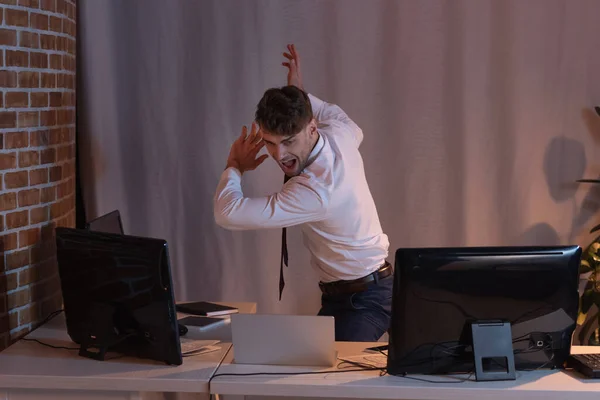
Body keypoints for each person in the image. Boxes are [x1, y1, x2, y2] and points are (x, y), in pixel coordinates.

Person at [213, 44, 392, 342]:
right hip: (356, 292)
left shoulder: (316, 189)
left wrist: (234, 166)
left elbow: (227, 214)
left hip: (363, 302)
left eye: (289, 141)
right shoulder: (340, 133)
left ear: (311, 129)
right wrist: (298, 94)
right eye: (270, 142)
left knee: (324, 385)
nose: (279, 154)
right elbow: (332, 115)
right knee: (309, 379)